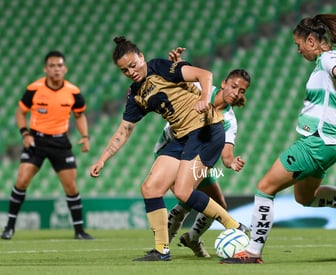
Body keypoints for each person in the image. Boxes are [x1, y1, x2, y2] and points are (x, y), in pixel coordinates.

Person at [221, 13, 336, 264]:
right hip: (328, 146)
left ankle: (252, 252)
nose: (298, 49)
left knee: (264, 188)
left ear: (311, 40)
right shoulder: (328, 64)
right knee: (305, 198)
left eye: (298, 44)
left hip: (314, 143)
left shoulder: (328, 60)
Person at [89, 37, 248, 261]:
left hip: (206, 131)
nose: (131, 72)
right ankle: (162, 250)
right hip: (181, 137)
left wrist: (204, 98)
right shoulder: (136, 95)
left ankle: (235, 226)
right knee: (150, 188)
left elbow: (204, 75)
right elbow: (124, 129)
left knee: (183, 191)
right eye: (125, 70)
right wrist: (102, 159)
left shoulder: (159, 67)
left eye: (133, 65)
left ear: (141, 57)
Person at [154, 48, 251, 258]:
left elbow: (226, 156)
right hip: (172, 149)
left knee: (219, 204)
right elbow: (182, 80)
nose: (236, 92)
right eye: (234, 86)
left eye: (242, 91)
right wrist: (179, 63)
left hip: (198, 156)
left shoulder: (229, 121)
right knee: (186, 196)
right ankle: (164, 246)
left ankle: (192, 239)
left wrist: (232, 162)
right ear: (224, 83)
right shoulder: (202, 88)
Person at [1, 51, 93, 240]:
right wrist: (25, 134)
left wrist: (85, 136)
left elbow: (79, 115)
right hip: (37, 140)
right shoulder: (34, 89)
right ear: (45, 69)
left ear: (65, 68)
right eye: (52, 66)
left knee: (71, 187)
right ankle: (9, 228)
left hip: (60, 142)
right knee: (22, 180)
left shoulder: (73, 92)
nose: (56, 69)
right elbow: (20, 113)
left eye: (59, 65)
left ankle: (79, 231)